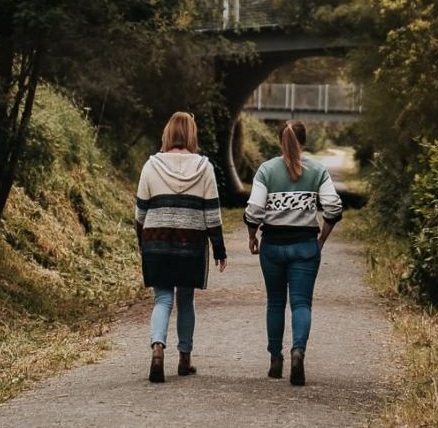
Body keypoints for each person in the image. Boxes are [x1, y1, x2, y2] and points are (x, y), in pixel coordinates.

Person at [243, 120, 343, 386]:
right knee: (301, 303)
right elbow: (333, 208)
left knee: (275, 302)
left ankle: (275, 360)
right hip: (304, 246)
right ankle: (298, 352)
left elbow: (254, 210)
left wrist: (253, 235)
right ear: (305, 142)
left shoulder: (266, 170)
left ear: (280, 141)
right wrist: (322, 237)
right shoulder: (317, 171)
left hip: (273, 246)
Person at [134, 111, 226, 383]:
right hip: (190, 243)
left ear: (167, 134)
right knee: (185, 299)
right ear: (191, 135)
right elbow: (212, 213)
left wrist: (142, 241)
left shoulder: (151, 166)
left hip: (157, 241)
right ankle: (184, 359)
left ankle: (158, 348)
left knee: (163, 299)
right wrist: (219, 249)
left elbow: (140, 211)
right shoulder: (204, 167)